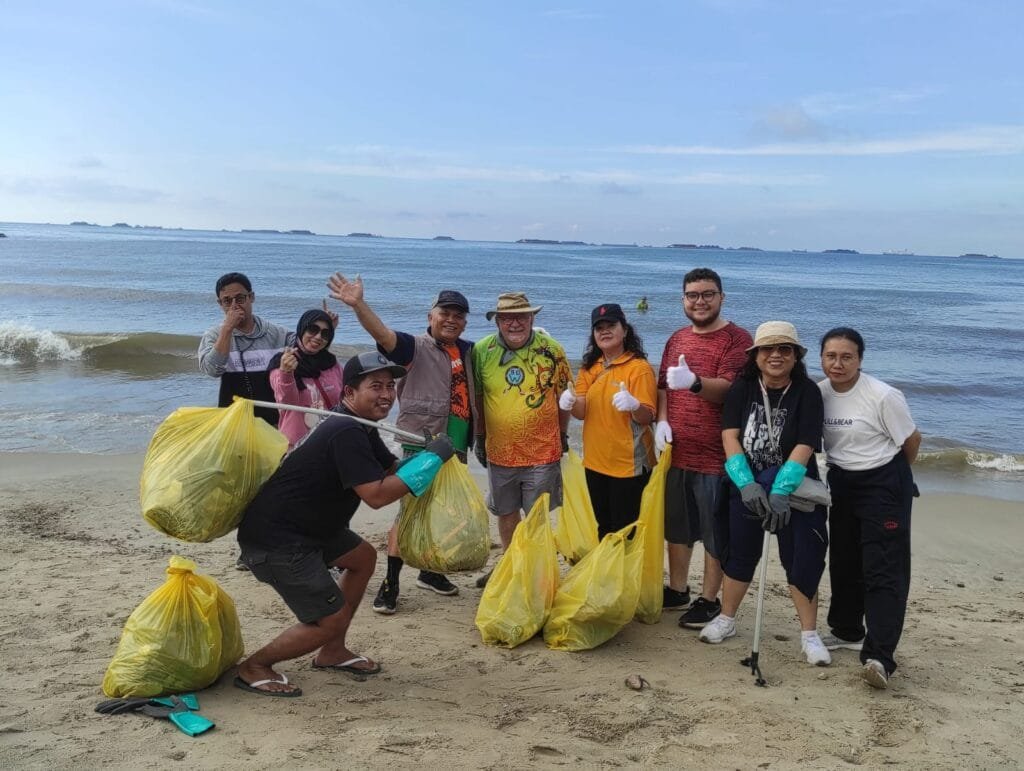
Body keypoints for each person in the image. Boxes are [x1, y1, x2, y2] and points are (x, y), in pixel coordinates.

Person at [234, 352, 455, 696]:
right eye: (376, 386)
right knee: (329, 621)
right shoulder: (345, 430)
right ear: (349, 392)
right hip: (278, 542)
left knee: (362, 557)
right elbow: (377, 495)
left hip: (310, 529)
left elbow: (389, 470)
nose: (386, 394)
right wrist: (431, 463)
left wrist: (424, 455)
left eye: (390, 386)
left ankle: (333, 651)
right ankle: (255, 666)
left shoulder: (359, 425)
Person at [327, 273, 479, 613]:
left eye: (458, 315)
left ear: (465, 322)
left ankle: (429, 573)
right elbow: (382, 335)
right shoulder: (413, 347)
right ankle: (391, 584)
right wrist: (358, 305)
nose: (451, 319)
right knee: (409, 511)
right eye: (444, 313)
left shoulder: (469, 351)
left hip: (455, 443)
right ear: (430, 316)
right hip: (419, 443)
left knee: (442, 510)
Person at [701, 321, 832, 667]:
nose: (776, 355)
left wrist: (781, 489)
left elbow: (806, 443)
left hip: (794, 487)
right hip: (748, 483)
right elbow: (730, 436)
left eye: (784, 349)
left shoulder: (807, 392)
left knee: (801, 557)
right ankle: (727, 618)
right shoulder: (742, 388)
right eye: (768, 349)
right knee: (740, 554)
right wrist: (745, 483)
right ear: (756, 355)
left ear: (796, 356)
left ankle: (809, 634)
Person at [818, 327, 921, 689]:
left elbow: (911, 441)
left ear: (860, 359)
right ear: (821, 358)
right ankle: (847, 630)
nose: (838, 364)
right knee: (844, 560)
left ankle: (880, 657)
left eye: (847, 357)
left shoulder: (883, 395)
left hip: (884, 482)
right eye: (831, 356)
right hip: (842, 482)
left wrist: (896, 482)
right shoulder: (820, 393)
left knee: (883, 568)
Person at [655, 268, 752, 628]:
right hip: (676, 452)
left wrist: (695, 382)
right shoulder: (676, 338)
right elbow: (663, 386)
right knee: (678, 528)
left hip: (717, 455)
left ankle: (709, 599)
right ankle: (678, 588)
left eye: (708, 294)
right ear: (683, 299)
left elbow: (729, 389)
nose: (700, 301)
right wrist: (661, 421)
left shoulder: (737, 339)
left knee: (715, 532)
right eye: (692, 295)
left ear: (721, 297)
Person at [472, 291, 572, 586]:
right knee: (505, 513)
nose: (514, 323)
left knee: (537, 517)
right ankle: (510, 567)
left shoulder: (552, 350)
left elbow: (565, 397)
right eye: (507, 318)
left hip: (542, 451)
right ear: (497, 321)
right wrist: (479, 437)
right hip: (500, 451)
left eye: (521, 316)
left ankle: (537, 572)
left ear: (532, 318)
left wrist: (563, 434)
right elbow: (478, 398)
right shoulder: (482, 351)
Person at [560, 303, 656, 537]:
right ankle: (608, 562)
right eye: (599, 327)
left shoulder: (639, 368)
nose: (604, 331)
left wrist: (635, 405)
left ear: (625, 330)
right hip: (595, 462)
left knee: (626, 532)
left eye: (611, 325)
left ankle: (624, 563)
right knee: (604, 527)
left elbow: (648, 416)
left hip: (629, 465)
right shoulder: (589, 368)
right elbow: (581, 412)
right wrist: (570, 402)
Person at [198, 272, 292, 427]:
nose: (234, 306)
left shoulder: (277, 334)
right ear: (220, 303)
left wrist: (326, 328)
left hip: (273, 424)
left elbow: (309, 347)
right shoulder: (214, 335)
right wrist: (227, 330)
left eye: (240, 298)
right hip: (232, 424)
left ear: (251, 297)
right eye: (227, 301)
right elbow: (212, 370)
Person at [268, 308, 344, 450]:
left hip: (330, 440)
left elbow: (345, 397)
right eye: (312, 329)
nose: (318, 337)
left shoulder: (331, 363)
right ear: (302, 329)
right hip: (297, 445)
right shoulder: (283, 362)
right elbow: (287, 403)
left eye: (325, 334)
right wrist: (286, 373)